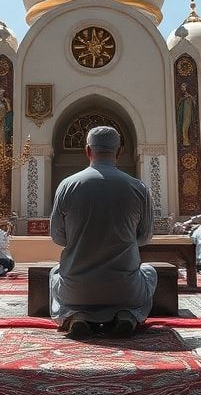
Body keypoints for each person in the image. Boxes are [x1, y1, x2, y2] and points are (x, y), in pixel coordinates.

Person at [49, 125, 156, 339]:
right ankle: (128, 315)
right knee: (150, 271)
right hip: (125, 290)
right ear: (119, 152)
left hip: (76, 290)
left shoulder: (67, 185)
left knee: (54, 273)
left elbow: (57, 237)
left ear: (88, 151)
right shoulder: (139, 188)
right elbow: (144, 238)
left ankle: (75, 315)